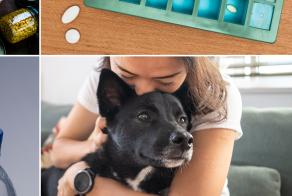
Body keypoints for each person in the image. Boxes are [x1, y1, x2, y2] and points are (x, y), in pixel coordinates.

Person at [52, 57, 242, 196]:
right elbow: (58, 151)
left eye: (165, 81)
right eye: (127, 75)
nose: (143, 91)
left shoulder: (217, 93)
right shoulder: (105, 74)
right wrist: (95, 145)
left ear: (191, 68)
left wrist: (85, 181)